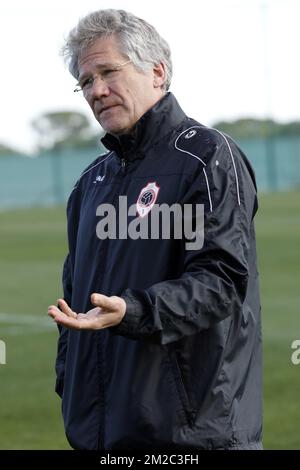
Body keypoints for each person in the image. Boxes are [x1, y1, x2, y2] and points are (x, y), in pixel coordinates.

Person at [48, 9, 263, 451]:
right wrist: (70, 383)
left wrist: (133, 310)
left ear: (158, 71)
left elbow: (221, 283)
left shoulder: (206, 157)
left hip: (188, 436)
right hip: (101, 435)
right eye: (86, 81)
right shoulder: (90, 182)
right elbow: (74, 293)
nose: (97, 91)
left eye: (108, 72)